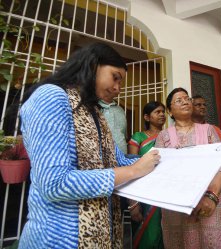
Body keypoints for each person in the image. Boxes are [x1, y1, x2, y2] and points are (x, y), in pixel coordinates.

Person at [18, 43, 161, 249]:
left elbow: (116, 159)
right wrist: (133, 171)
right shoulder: (51, 97)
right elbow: (55, 184)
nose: (118, 89)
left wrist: (163, 161)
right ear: (93, 65)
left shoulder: (93, 111)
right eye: (115, 77)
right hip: (57, 240)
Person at [155, 87, 221, 249]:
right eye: (179, 100)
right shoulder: (162, 136)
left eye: (187, 98)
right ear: (170, 111)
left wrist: (211, 197)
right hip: (177, 205)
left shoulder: (209, 130)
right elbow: (158, 170)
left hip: (211, 200)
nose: (185, 101)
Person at [128, 101, 166, 249]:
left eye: (163, 111)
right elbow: (132, 167)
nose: (162, 114)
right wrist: (133, 203)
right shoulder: (138, 137)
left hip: (167, 190)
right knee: (149, 236)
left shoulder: (169, 135)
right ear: (147, 117)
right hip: (145, 192)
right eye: (157, 112)